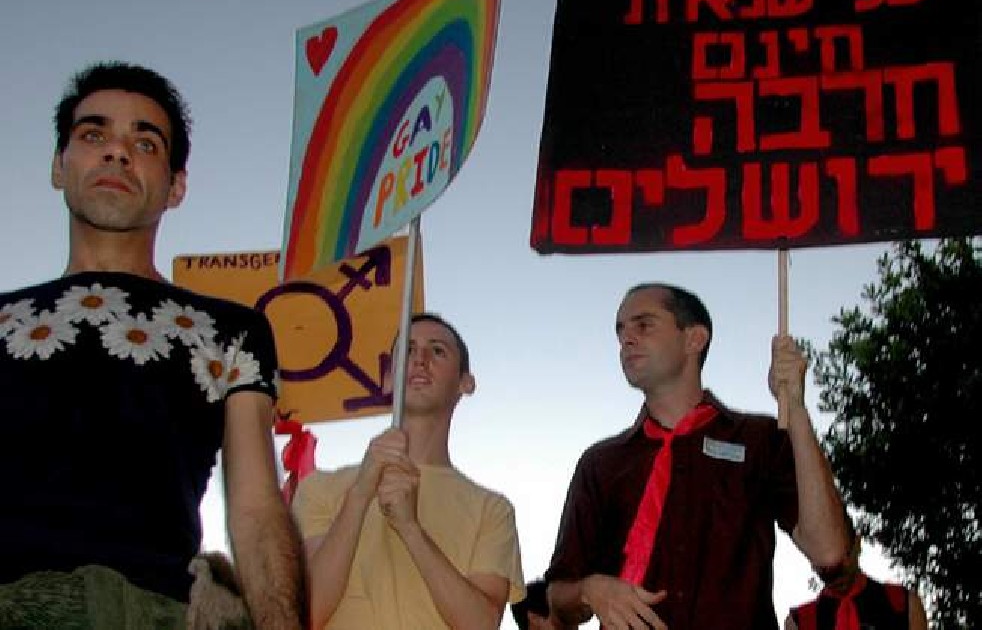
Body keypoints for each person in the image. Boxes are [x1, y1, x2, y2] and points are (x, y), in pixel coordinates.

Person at [0, 62, 304, 628]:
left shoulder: (232, 332)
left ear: (176, 185)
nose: (117, 153)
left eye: (145, 142)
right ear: (58, 166)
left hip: (156, 612)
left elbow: (257, 510)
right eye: (94, 135)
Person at [546, 283, 849, 630]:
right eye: (621, 331)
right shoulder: (601, 463)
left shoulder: (760, 439)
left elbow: (828, 551)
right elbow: (559, 598)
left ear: (694, 339)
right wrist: (590, 590)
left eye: (643, 325)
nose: (626, 340)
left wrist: (794, 407)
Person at [292, 313, 525, 629]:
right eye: (408, 351)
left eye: (438, 350)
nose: (420, 359)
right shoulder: (318, 489)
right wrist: (360, 496)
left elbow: (481, 624)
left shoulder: (492, 509)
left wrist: (410, 528)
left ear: (465, 383)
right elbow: (306, 615)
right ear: (388, 378)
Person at [786, 516, 929, 630]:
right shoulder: (800, 621)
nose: (834, 568)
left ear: (857, 544)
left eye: (843, 553)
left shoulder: (903, 603)